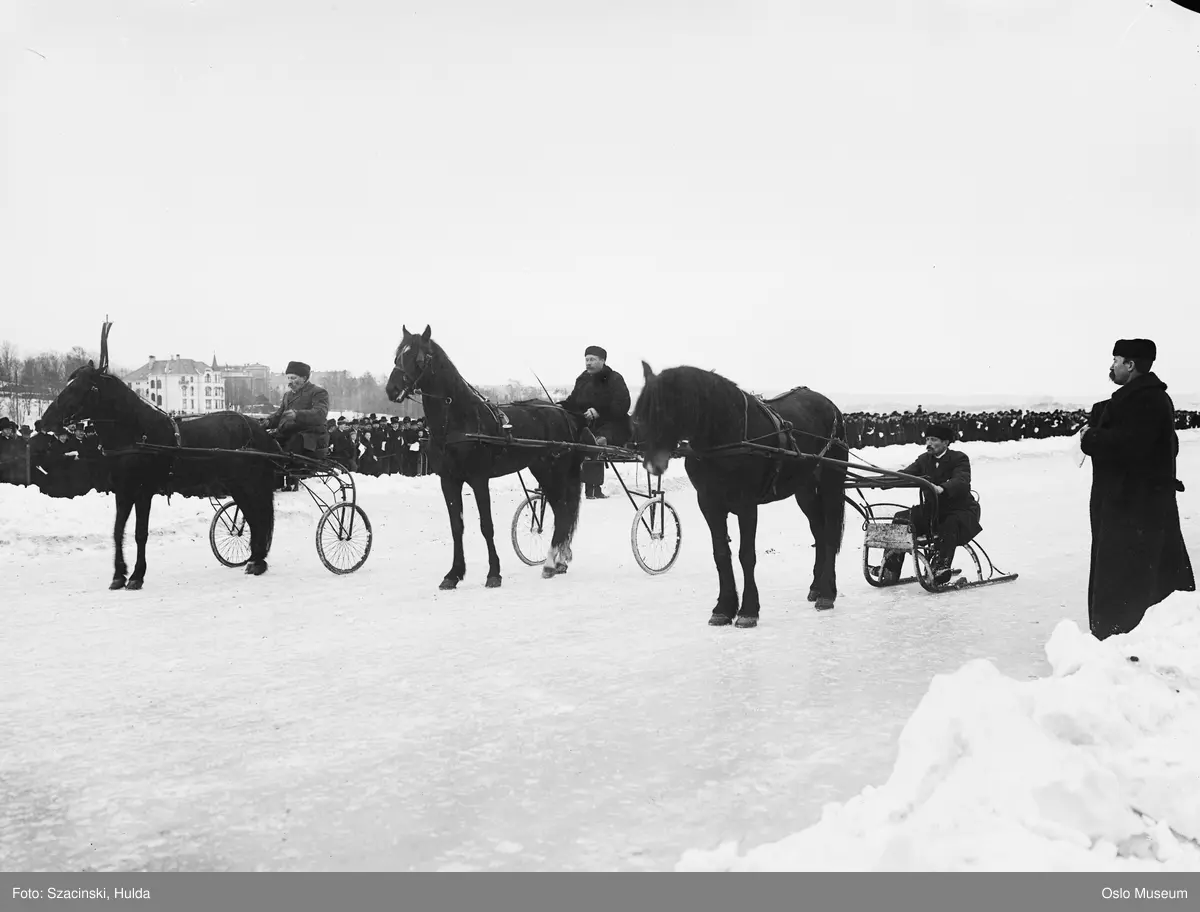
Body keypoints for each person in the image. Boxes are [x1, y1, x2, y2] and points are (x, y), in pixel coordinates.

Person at [1080, 338, 1194, 640]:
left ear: (1130, 365)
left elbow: (1127, 446)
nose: (1111, 366)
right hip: (1136, 503)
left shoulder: (1144, 399)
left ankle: (1120, 636)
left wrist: (1090, 437)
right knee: (1148, 574)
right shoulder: (1145, 398)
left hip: (1133, 507)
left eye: (1116, 360)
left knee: (1129, 577)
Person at [879, 423, 982, 586]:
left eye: (933, 439)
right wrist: (882, 481)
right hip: (933, 510)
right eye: (927, 439)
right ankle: (890, 568)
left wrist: (942, 488)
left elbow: (961, 480)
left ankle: (941, 567)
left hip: (959, 510)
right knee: (901, 519)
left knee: (949, 524)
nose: (929, 443)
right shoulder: (924, 459)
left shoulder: (959, 458)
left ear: (946, 442)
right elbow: (906, 474)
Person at [560, 345, 632, 499]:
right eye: (586, 359)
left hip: (613, 424)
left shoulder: (614, 378)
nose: (588, 363)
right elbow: (573, 401)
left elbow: (622, 404)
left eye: (592, 359)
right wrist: (559, 406)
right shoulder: (582, 379)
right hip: (587, 425)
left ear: (603, 361)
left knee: (596, 442)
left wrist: (598, 411)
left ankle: (594, 489)